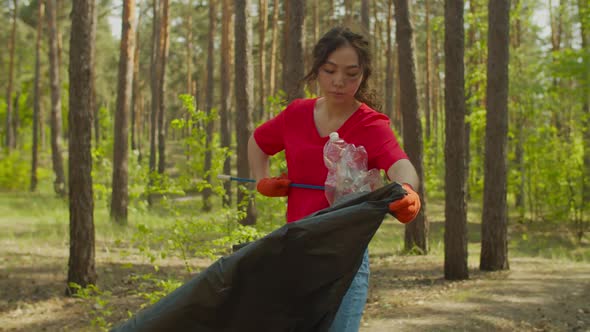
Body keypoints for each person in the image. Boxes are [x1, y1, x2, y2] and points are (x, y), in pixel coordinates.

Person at [247, 27, 421, 332]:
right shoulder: (297, 114)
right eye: (330, 71)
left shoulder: (371, 125)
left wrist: (407, 192)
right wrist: (262, 181)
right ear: (318, 68)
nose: (339, 81)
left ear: (363, 75)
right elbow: (258, 142)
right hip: (296, 251)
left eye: (351, 74)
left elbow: (401, 166)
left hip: (346, 258)